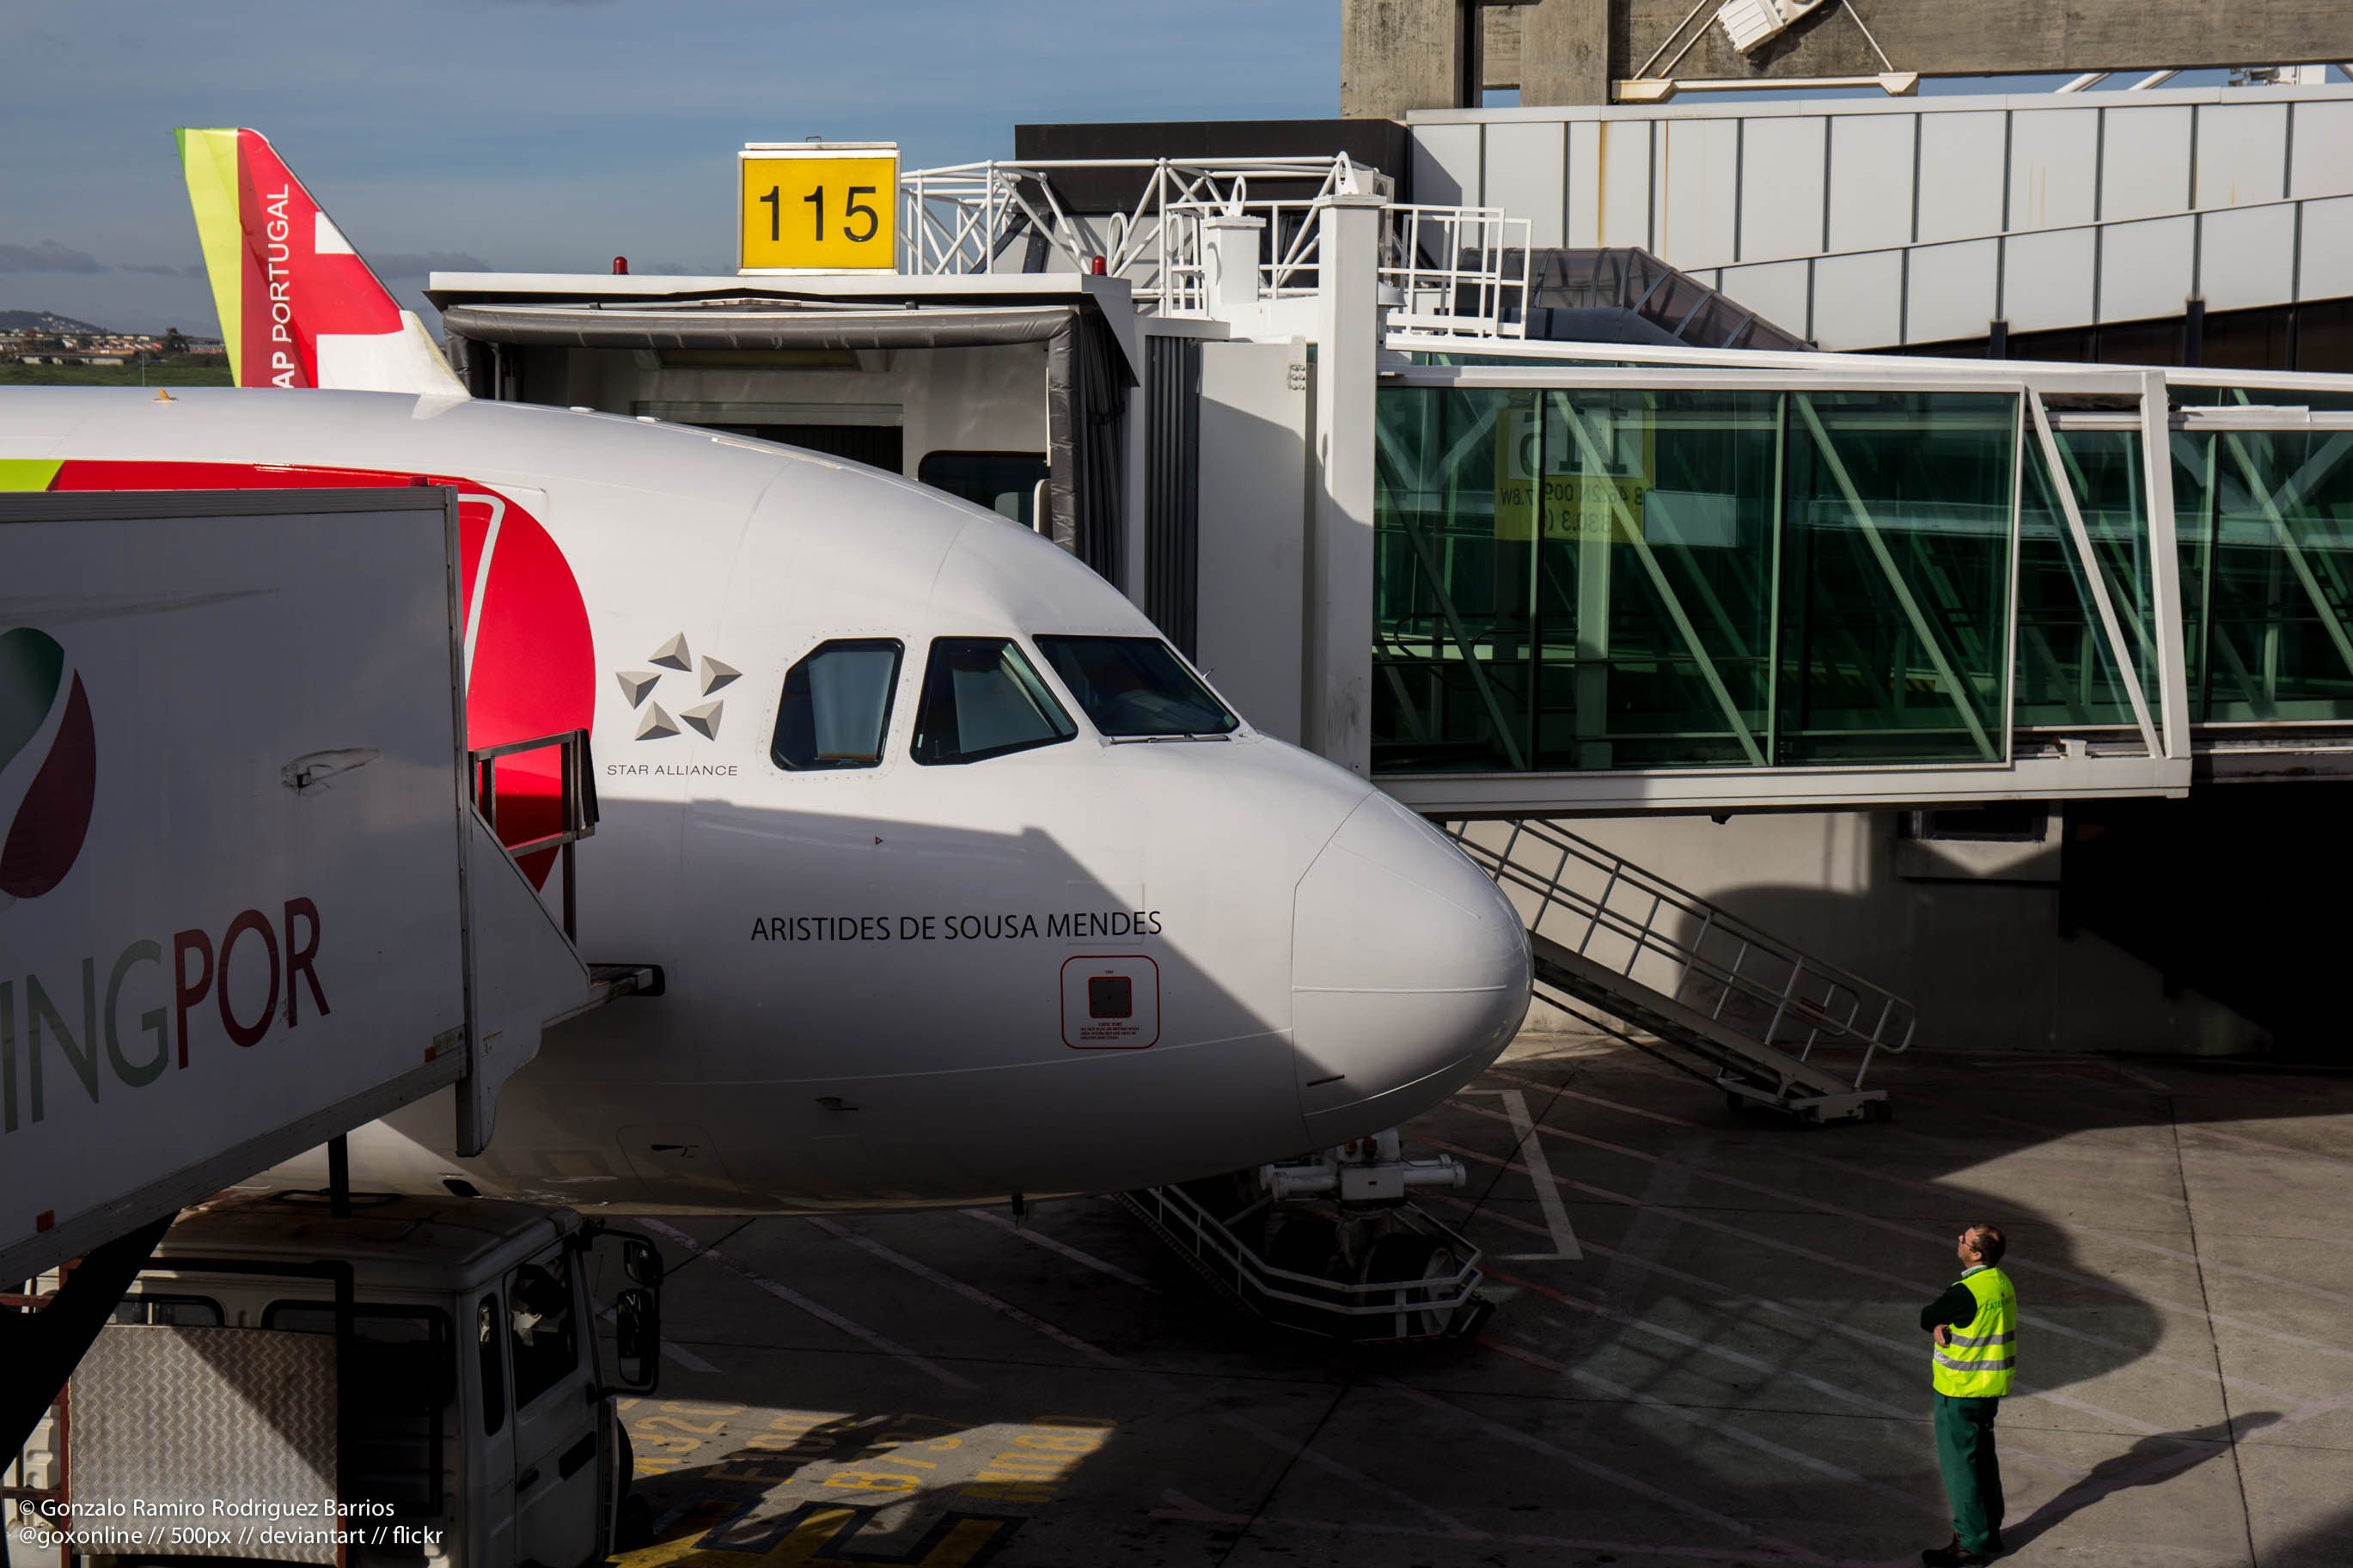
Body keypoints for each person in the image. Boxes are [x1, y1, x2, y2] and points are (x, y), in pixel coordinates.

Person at [1920, 1223, 2015, 1565]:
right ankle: (1990, 1532)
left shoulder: (1965, 1291)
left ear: (1976, 1253)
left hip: (1959, 1391)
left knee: (1960, 1468)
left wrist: (1937, 1325)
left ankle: (1969, 1543)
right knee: (1984, 1462)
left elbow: (1928, 1316)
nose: (1959, 1239)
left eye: (1966, 1238)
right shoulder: (2001, 1283)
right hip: (1989, 1390)